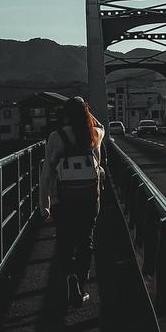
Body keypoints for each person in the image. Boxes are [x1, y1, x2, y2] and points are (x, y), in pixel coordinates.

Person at [39, 96, 105, 306]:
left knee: (65, 241)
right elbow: (101, 125)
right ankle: (82, 284)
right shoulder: (94, 134)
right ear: (86, 114)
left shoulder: (56, 137)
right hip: (89, 197)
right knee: (86, 241)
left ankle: (70, 277)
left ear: (65, 115)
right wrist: (86, 109)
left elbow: (47, 174)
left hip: (63, 199)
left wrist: (45, 205)